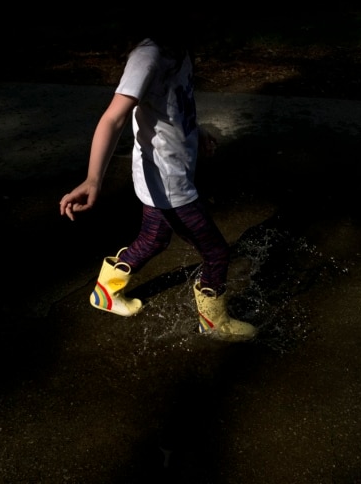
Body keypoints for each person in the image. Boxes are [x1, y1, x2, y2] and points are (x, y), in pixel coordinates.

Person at [58, 23, 256, 341]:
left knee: (154, 240)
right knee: (217, 252)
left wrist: (195, 130)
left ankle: (106, 293)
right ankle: (213, 321)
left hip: (169, 171)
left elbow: (174, 105)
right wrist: (94, 179)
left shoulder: (179, 49)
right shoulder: (148, 55)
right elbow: (114, 117)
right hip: (168, 180)